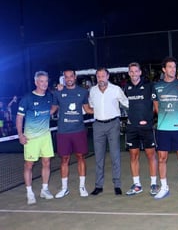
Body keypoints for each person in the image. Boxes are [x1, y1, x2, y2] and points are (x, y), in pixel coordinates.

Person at [152, 56, 178, 200]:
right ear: (164, 69)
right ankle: (164, 187)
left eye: (174, 67)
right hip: (163, 129)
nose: (173, 70)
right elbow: (157, 108)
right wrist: (166, 119)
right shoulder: (157, 86)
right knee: (162, 158)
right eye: (170, 67)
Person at [16, 71, 57, 205]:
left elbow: (53, 107)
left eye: (46, 81)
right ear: (36, 82)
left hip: (45, 136)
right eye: (41, 81)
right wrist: (20, 135)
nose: (44, 84)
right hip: (31, 137)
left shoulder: (49, 96)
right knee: (29, 165)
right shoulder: (27, 98)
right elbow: (19, 117)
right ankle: (29, 193)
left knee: (46, 162)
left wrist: (48, 113)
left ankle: (44, 190)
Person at [53, 69, 93, 198]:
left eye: (71, 76)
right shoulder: (58, 93)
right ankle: (64, 188)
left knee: (81, 157)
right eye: (66, 77)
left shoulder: (83, 92)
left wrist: (105, 109)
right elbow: (52, 109)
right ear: (64, 78)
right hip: (63, 132)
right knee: (64, 159)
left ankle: (82, 187)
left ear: (75, 77)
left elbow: (87, 109)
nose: (69, 78)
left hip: (78, 131)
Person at [88, 68, 129, 196]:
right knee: (99, 157)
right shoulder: (92, 91)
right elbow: (90, 107)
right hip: (98, 125)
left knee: (115, 155)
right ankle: (98, 186)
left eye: (103, 76)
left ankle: (117, 185)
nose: (101, 78)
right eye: (98, 76)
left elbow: (127, 103)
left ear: (108, 76)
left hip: (113, 125)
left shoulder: (116, 89)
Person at [124, 62, 160, 196]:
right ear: (129, 73)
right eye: (131, 72)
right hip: (132, 128)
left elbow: (156, 103)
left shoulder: (150, 86)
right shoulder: (126, 88)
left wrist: (149, 119)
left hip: (147, 128)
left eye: (136, 71)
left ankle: (153, 184)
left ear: (140, 73)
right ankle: (137, 184)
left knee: (151, 155)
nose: (134, 74)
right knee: (133, 156)